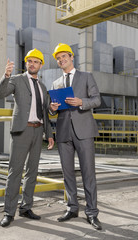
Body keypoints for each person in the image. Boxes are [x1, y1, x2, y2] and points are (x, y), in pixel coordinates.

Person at [0, 48, 54, 227]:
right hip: (22, 131)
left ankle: (26, 207)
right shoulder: (17, 80)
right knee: (15, 172)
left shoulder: (43, 87)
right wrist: (5, 75)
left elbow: (45, 112)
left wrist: (50, 135)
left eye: (36, 62)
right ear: (26, 63)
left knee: (32, 172)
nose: (32, 64)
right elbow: (0, 94)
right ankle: (9, 211)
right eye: (30, 61)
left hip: (38, 131)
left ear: (41, 65)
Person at [49, 43, 102, 230]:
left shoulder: (86, 77)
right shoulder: (56, 84)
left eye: (64, 56)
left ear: (72, 57)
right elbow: (53, 111)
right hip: (64, 132)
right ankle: (72, 208)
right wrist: (52, 109)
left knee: (88, 173)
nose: (61, 60)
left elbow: (97, 100)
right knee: (68, 173)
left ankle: (92, 212)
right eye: (58, 58)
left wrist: (81, 102)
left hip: (84, 131)